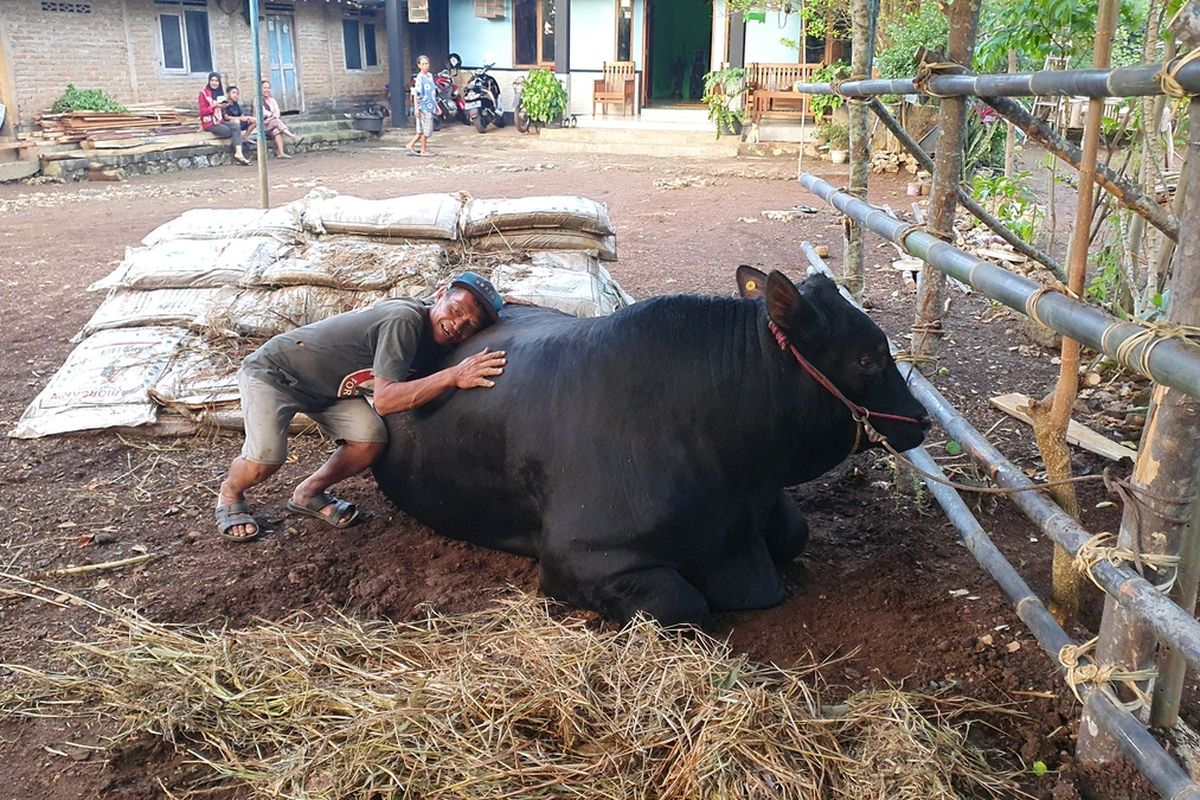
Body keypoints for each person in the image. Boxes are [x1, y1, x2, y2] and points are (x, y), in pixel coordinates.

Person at [214, 272, 508, 541]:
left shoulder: (436, 323)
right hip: (276, 373)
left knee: (370, 440)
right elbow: (386, 400)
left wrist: (506, 304)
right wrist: (453, 376)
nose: (458, 325)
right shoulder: (404, 321)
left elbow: (471, 310)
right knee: (265, 459)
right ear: (441, 294)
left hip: (329, 390)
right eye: (456, 311)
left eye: (470, 324)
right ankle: (230, 492)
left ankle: (308, 493)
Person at [198, 72, 251, 167]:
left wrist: (224, 106)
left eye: (216, 81)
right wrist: (214, 106)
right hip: (210, 123)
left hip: (220, 121)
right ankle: (237, 153)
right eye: (212, 80)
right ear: (209, 81)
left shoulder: (220, 93)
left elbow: (222, 112)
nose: (214, 83)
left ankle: (239, 153)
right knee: (232, 131)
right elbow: (203, 112)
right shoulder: (203, 94)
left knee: (236, 126)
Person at [405, 54, 440, 157]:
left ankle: (410, 145)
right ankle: (423, 150)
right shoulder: (419, 78)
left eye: (427, 63)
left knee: (421, 131)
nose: (425, 66)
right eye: (423, 64)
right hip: (423, 106)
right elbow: (416, 94)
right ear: (419, 65)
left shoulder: (430, 76)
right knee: (425, 130)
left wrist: (437, 106)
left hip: (430, 105)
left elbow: (432, 93)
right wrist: (416, 108)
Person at [259, 80, 303, 159]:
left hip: (271, 124)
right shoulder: (258, 101)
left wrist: (272, 117)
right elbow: (263, 112)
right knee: (276, 121)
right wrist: (272, 117)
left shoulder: (272, 100)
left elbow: (277, 113)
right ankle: (293, 137)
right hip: (262, 125)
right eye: (264, 88)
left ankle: (281, 153)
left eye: (268, 88)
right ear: (260, 89)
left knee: (276, 130)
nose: (267, 90)